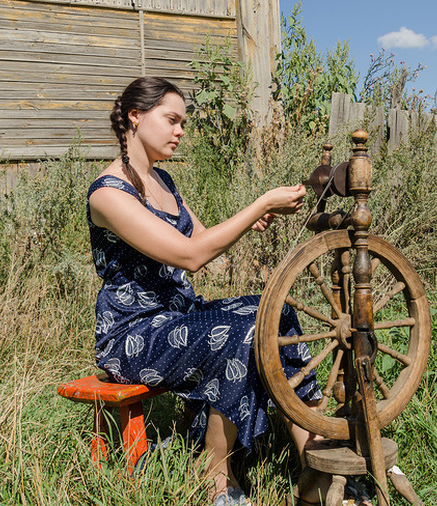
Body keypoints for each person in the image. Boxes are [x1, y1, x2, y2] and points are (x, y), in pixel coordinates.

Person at [87, 77, 333, 505]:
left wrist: (253, 219)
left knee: (275, 311)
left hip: (179, 316)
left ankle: (317, 464)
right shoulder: (108, 194)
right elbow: (190, 256)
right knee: (237, 336)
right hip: (134, 334)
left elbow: (202, 236)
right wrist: (257, 204)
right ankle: (216, 475)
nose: (180, 131)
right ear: (135, 116)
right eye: (172, 120)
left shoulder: (163, 181)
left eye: (182, 122)